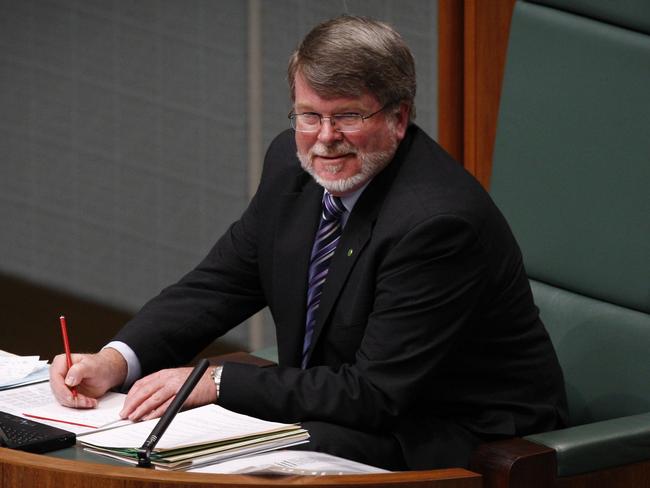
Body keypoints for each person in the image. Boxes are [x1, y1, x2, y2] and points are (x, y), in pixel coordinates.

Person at [50, 15, 567, 470]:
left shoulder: (437, 223)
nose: (323, 138)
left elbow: (377, 395)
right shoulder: (290, 167)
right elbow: (219, 284)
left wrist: (219, 382)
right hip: (347, 403)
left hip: (449, 431)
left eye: (347, 116)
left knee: (237, 457)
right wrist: (117, 359)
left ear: (398, 117)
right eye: (309, 115)